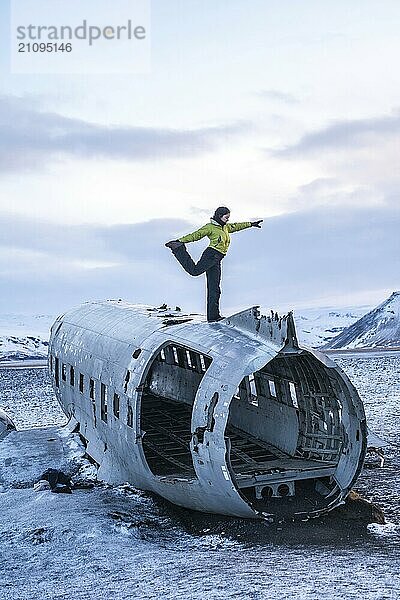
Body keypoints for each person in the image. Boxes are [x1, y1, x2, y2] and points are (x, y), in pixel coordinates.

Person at [165, 207, 263, 322]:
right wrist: (180, 241)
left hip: (217, 259)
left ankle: (213, 316)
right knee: (194, 271)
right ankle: (178, 249)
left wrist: (251, 224)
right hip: (211, 255)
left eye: (228, 218)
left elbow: (236, 226)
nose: (227, 220)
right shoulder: (210, 227)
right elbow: (196, 235)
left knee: (214, 288)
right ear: (219, 215)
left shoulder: (225, 227)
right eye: (226, 217)